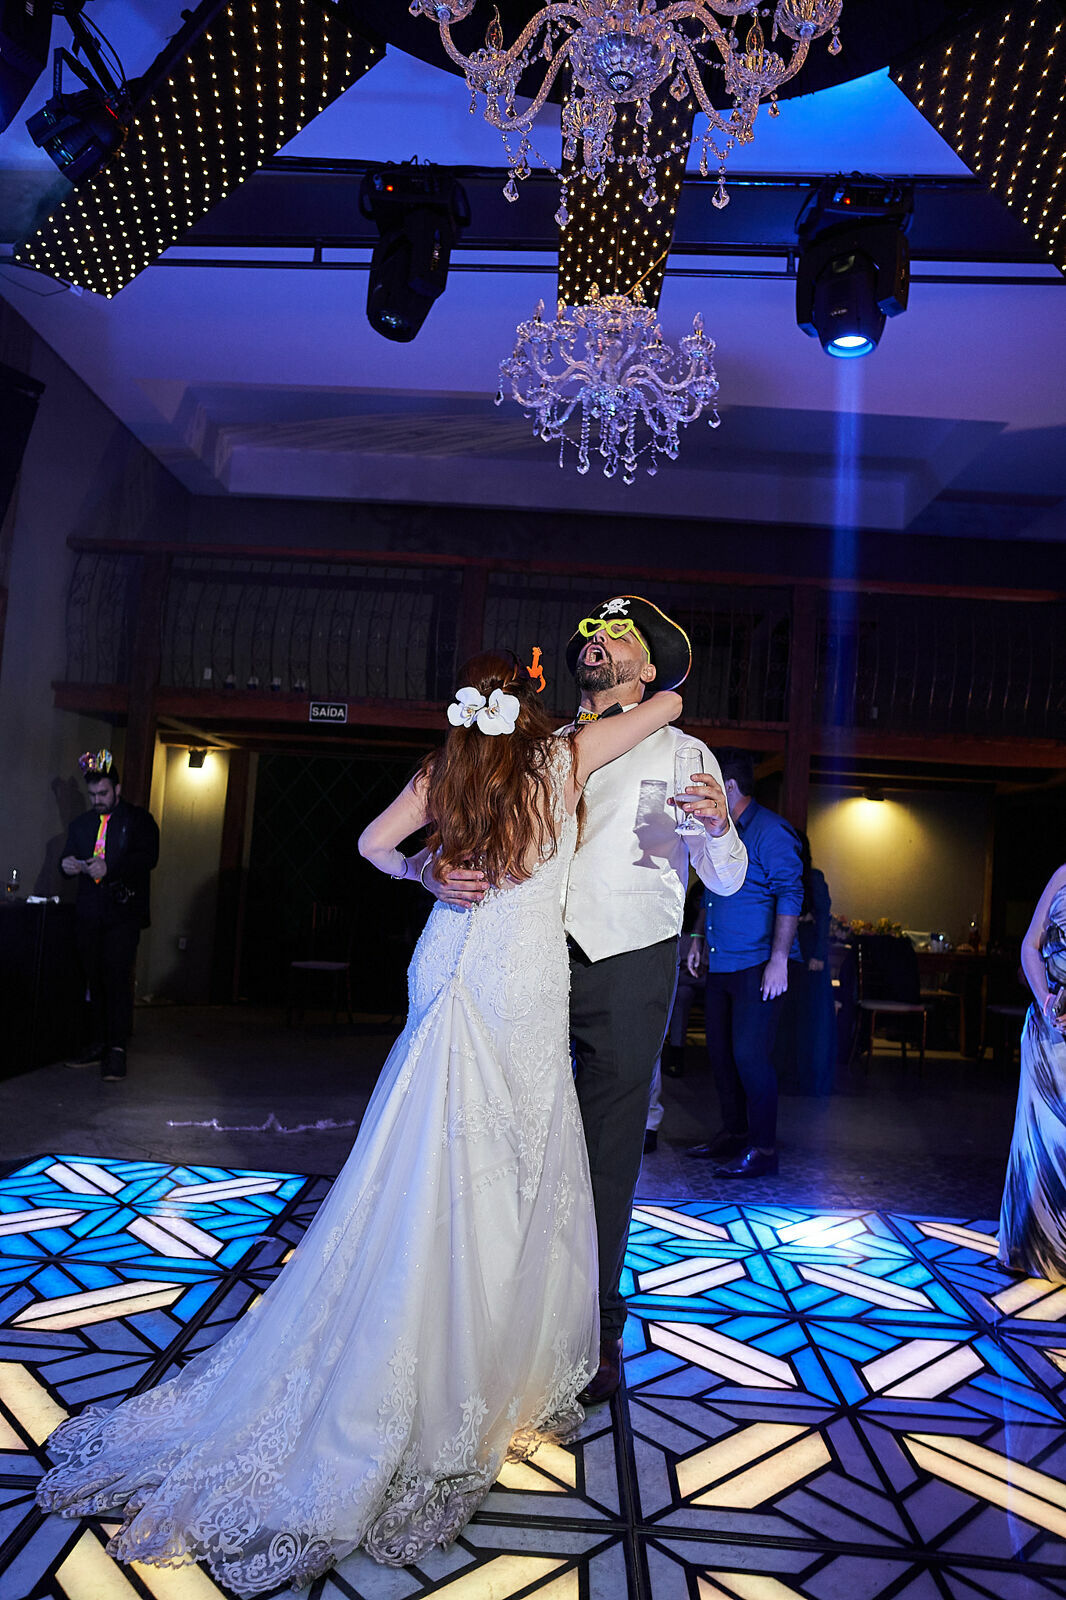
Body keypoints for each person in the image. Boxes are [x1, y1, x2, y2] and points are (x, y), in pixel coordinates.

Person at [37, 650, 683, 1595]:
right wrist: (641, 671)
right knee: (509, 1158)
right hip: (520, 976)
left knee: (420, 1156)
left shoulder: (449, 767)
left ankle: (417, 1323)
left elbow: (371, 846)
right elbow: (668, 705)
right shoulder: (567, 756)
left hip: (451, 955)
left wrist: (426, 874)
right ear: (533, 706)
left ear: (471, 708)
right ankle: (472, 1364)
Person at [425, 597, 747, 1404]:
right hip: (526, 954)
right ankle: (496, 1305)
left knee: (606, 1149)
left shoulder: (683, 750)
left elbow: (731, 879)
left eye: (619, 638)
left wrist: (713, 829)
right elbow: (459, 823)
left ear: (649, 666)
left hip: (629, 959)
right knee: (509, 1132)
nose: (599, 644)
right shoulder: (536, 744)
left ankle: (596, 1327)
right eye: (592, 637)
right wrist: (427, 870)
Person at [686, 748, 803, 1178]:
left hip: (757, 963)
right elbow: (712, 888)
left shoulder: (772, 832)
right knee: (720, 1054)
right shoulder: (721, 832)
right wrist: (697, 934)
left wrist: (778, 961)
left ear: (729, 787)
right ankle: (734, 1135)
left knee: (751, 1058)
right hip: (721, 962)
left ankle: (764, 1149)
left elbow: (791, 894)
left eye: (713, 785)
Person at [60, 750, 160, 1082]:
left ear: (117, 790)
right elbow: (66, 856)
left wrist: (111, 867)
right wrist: (69, 865)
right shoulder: (81, 824)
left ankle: (116, 1050)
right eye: (92, 795)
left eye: (103, 794)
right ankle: (99, 1042)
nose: (98, 800)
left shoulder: (138, 820)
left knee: (116, 978)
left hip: (122, 914)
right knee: (93, 979)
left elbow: (147, 857)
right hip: (90, 914)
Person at [998, 861, 1066, 1280]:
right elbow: (1030, 946)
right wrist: (1045, 999)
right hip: (1046, 1028)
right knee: (1037, 1143)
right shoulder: (1061, 873)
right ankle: (1032, 1249)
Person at [774, 833, 836, 1095]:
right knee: (786, 1017)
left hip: (809, 953)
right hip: (789, 952)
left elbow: (823, 919)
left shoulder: (814, 878)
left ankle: (805, 1079)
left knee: (807, 1018)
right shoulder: (783, 874)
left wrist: (819, 955)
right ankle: (787, 1076)